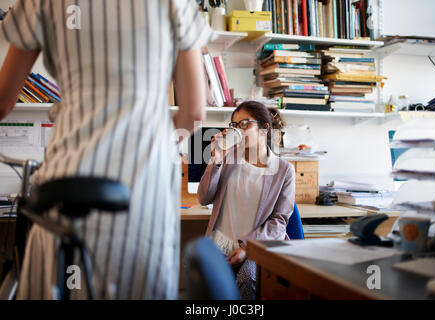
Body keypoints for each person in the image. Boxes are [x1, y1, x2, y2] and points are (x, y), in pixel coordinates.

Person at [0, 0, 214, 299]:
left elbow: (3, 101)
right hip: (144, 182)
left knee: (55, 281)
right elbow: (193, 112)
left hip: (69, 176)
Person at [197, 101, 295, 299]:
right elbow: (203, 198)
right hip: (220, 245)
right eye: (235, 125)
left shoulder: (284, 171)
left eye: (245, 124)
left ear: (264, 129)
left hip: (256, 247)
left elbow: (279, 221)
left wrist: (246, 248)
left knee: (247, 277)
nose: (238, 130)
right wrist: (216, 160)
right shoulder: (228, 159)